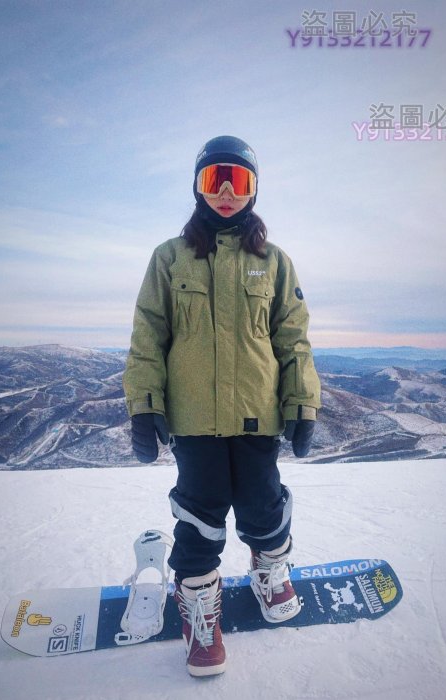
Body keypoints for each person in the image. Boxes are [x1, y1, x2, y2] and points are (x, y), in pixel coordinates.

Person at [123, 135, 321, 677]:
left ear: (255, 190)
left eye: (239, 181)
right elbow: (148, 335)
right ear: (198, 187)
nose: (227, 192)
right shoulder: (169, 257)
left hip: (258, 414)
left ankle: (269, 571)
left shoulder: (274, 262)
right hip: (193, 419)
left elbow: (293, 340)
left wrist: (302, 402)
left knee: (263, 504)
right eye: (216, 180)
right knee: (199, 514)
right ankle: (199, 613)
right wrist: (144, 403)